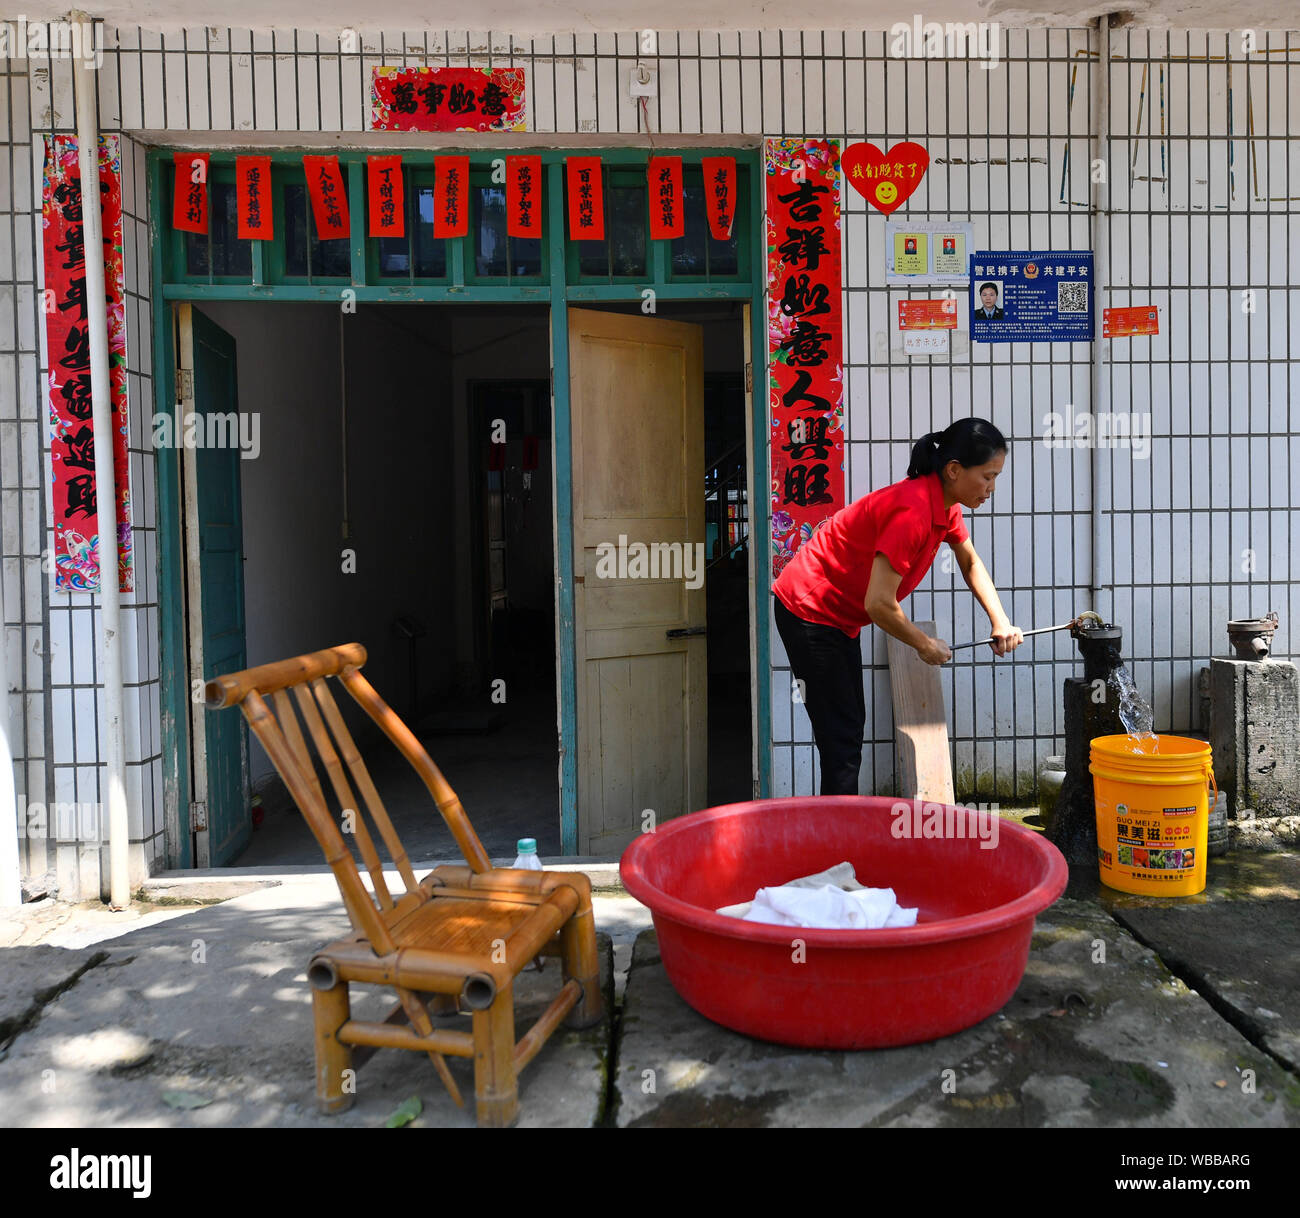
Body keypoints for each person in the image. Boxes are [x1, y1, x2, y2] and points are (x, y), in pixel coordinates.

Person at [773, 418, 1024, 796]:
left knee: (847, 732)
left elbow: (970, 561)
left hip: (838, 617)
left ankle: (841, 836)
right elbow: (878, 604)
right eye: (987, 477)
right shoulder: (913, 513)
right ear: (954, 470)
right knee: (841, 741)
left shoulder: (945, 504)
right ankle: (837, 847)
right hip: (810, 610)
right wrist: (923, 643)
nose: (991, 488)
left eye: (996, 477)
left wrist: (1000, 620)